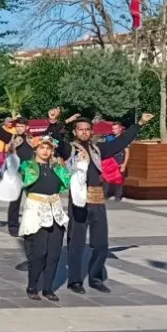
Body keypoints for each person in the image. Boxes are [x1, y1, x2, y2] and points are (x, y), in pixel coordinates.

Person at [52, 113, 153, 294]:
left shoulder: (98, 149)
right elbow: (55, 140)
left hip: (97, 200)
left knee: (101, 244)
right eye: (80, 129)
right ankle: (75, 281)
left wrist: (140, 124)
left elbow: (121, 142)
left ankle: (95, 278)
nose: (84, 132)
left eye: (87, 129)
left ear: (92, 131)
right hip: (79, 201)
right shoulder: (69, 149)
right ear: (75, 132)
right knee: (76, 243)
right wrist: (54, 122)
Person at [0, 136, 70, 301]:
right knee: (39, 253)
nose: (45, 151)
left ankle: (48, 288)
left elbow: (72, 183)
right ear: (35, 149)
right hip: (36, 212)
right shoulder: (27, 166)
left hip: (55, 212)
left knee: (54, 254)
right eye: (42, 147)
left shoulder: (58, 168)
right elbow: (10, 174)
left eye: (49, 148)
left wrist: (81, 165)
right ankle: (32, 285)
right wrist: (11, 155)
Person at [0, 107, 75, 236]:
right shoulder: (12, 138)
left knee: (35, 200)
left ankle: (38, 222)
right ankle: (13, 227)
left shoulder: (33, 140)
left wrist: (57, 122)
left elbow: (49, 133)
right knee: (14, 201)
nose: (20, 128)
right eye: (18, 126)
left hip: (32, 173)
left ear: (26, 127)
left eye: (22, 126)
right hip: (18, 174)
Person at [103, 122, 129, 201]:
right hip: (109, 161)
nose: (114, 130)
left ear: (120, 129)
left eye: (115, 129)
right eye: (113, 129)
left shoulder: (124, 139)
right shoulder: (109, 138)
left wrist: (124, 164)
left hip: (119, 160)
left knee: (119, 179)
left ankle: (118, 196)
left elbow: (127, 152)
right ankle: (105, 195)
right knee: (106, 178)